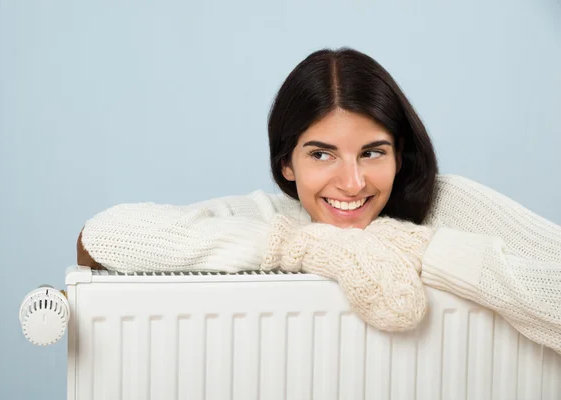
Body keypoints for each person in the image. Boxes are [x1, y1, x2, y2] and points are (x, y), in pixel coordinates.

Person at [77, 48, 561, 353]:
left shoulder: (449, 202)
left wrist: (422, 248)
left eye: (372, 152)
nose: (351, 183)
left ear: (400, 157)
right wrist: (303, 245)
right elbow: (100, 238)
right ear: (287, 164)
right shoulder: (275, 220)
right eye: (322, 154)